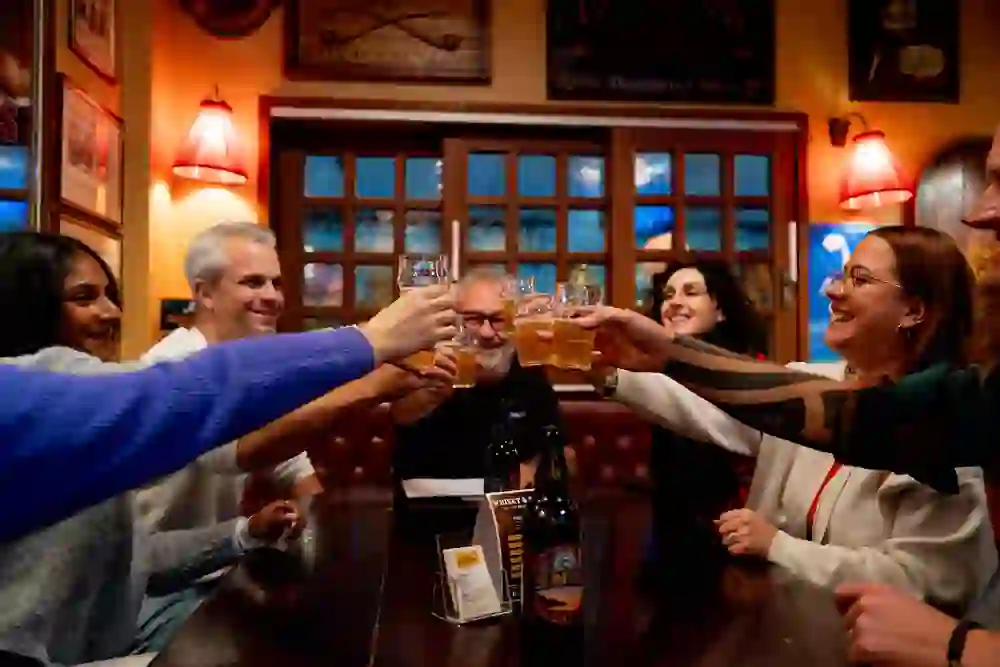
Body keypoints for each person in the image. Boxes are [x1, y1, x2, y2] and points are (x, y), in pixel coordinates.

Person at [0, 232, 452, 667]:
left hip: (146, 608)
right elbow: (223, 435)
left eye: (276, 282)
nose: (111, 311)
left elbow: (139, 560)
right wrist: (367, 350)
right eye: (84, 298)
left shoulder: (103, 385)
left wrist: (260, 531)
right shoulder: (128, 380)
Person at [599, 228, 996, 609]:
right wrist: (604, 368)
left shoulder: (944, 424)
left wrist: (778, 545)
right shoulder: (817, 381)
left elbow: (924, 585)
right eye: (839, 276)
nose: (833, 290)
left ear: (912, 310)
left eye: (858, 279)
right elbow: (713, 412)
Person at [619, 261, 765, 580]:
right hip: (673, 534)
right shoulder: (657, 374)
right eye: (668, 294)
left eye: (691, 292)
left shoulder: (748, 373)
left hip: (738, 539)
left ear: (721, 310)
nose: (674, 302)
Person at [390, 268, 563, 518]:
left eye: (498, 320)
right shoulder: (427, 360)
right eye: (473, 319)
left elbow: (556, 444)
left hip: (509, 514)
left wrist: (538, 468)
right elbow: (401, 415)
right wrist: (444, 385)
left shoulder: (527, 368)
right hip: (428, 512)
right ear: (455, 320)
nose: (486, 332)